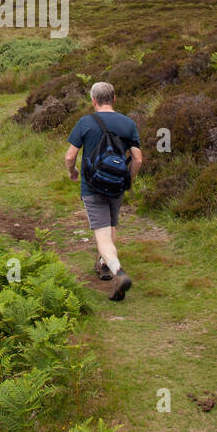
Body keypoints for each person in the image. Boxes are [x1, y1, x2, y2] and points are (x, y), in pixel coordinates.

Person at [64, 81, 143, 300]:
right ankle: (104, 264)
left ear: (94, 100)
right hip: (117, 184)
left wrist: (72, 172)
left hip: (92, 186)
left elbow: (70, 156)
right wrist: (129, 179)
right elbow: (137, 159)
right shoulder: (128, 123)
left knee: (102, 234)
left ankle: (117, 271)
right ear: (114, 98)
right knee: (111, 224)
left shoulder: (85, 122)